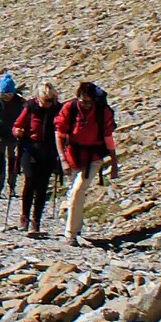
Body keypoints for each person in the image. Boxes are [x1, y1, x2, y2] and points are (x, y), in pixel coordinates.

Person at [55, 81, 117, 246]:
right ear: (78, 98)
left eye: (90, 102)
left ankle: (70, 234)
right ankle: (76, 225)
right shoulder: (70, 109)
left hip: (93, 157)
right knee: (75, 193)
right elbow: (59, 134)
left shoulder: (102, 112)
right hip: (72, 156)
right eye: (83, 101)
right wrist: (63, 159)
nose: (87, 105)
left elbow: (108, 137)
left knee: (77, 191)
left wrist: (114, 162)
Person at [13, 81, 63, 236]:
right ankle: (24, 217)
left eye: (50, 100)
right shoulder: (30, 107)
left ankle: (36, 221)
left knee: (42, 186)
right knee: (30, 181)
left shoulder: (58, 109)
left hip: (48, 150)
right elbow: (16, 126)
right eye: (45, 101)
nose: (47, 104)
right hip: (30, 148)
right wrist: (17, 132)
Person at [0, 73, 26, 198]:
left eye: (9, 95)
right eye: (4, 95)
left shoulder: (21, 102)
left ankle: (12, 187)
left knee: (13, 161)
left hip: (14, 136)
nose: (6, 97)